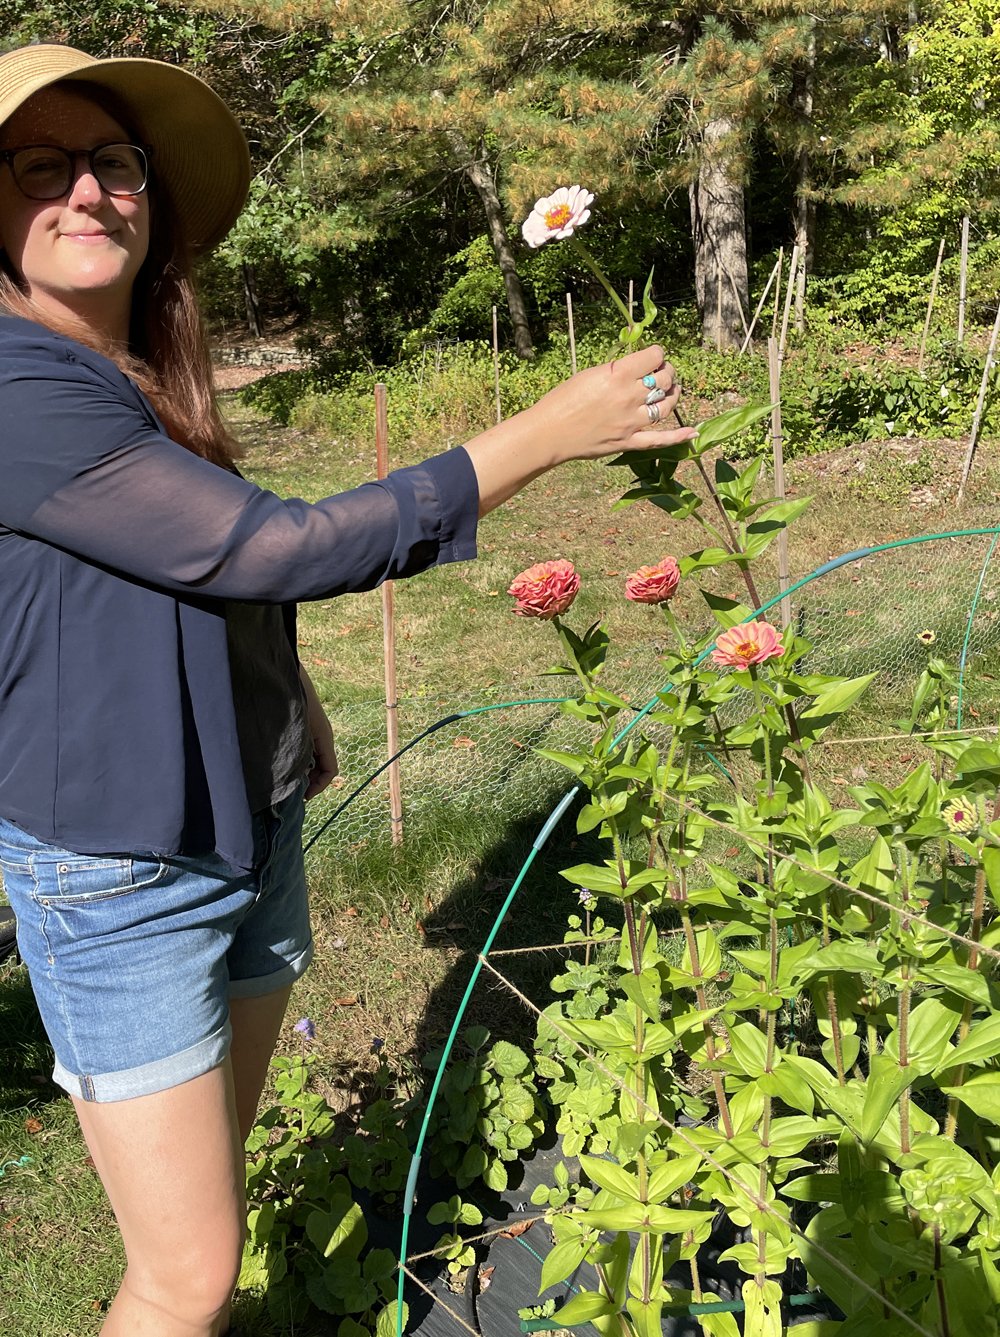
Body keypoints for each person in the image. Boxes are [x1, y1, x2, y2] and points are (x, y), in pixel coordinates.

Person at [0, 41, 695, 1337]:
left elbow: (196, 568)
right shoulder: (13, 383)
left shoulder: (129, 371)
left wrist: (284, 700)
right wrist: (547, 429)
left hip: (246, 816)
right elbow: (279, 546)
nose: (87, 190)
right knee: (185, 1274)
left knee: (208, 1182)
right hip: (116, 860)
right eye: (42, 165)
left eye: (113, 162)